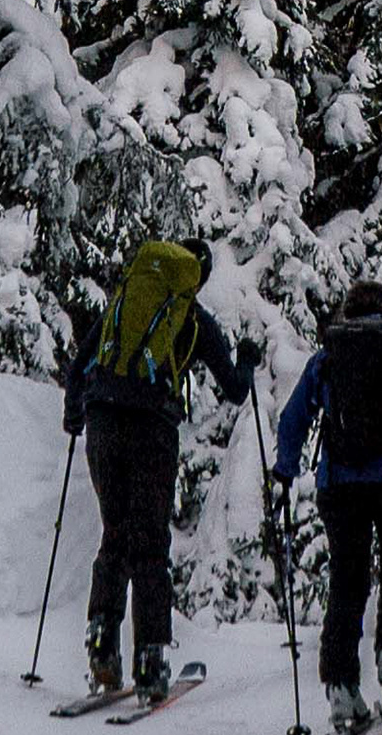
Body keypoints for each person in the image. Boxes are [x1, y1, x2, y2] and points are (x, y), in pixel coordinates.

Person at [62, 230, 259, 702]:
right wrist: (248, 361)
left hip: (103, 423)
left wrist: (75, 416)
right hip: (152, 429)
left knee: (115, 533)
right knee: (150, 541)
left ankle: (101, 645)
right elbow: (234, 388)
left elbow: (79, 367)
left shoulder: (123, 304)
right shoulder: (191, 317)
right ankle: (150, 660)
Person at [268, 275, 382, 733]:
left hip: (341, 485)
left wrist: (285, 472)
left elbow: (293, 418)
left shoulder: (328, 357)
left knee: (347, 582)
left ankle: (341, 688)